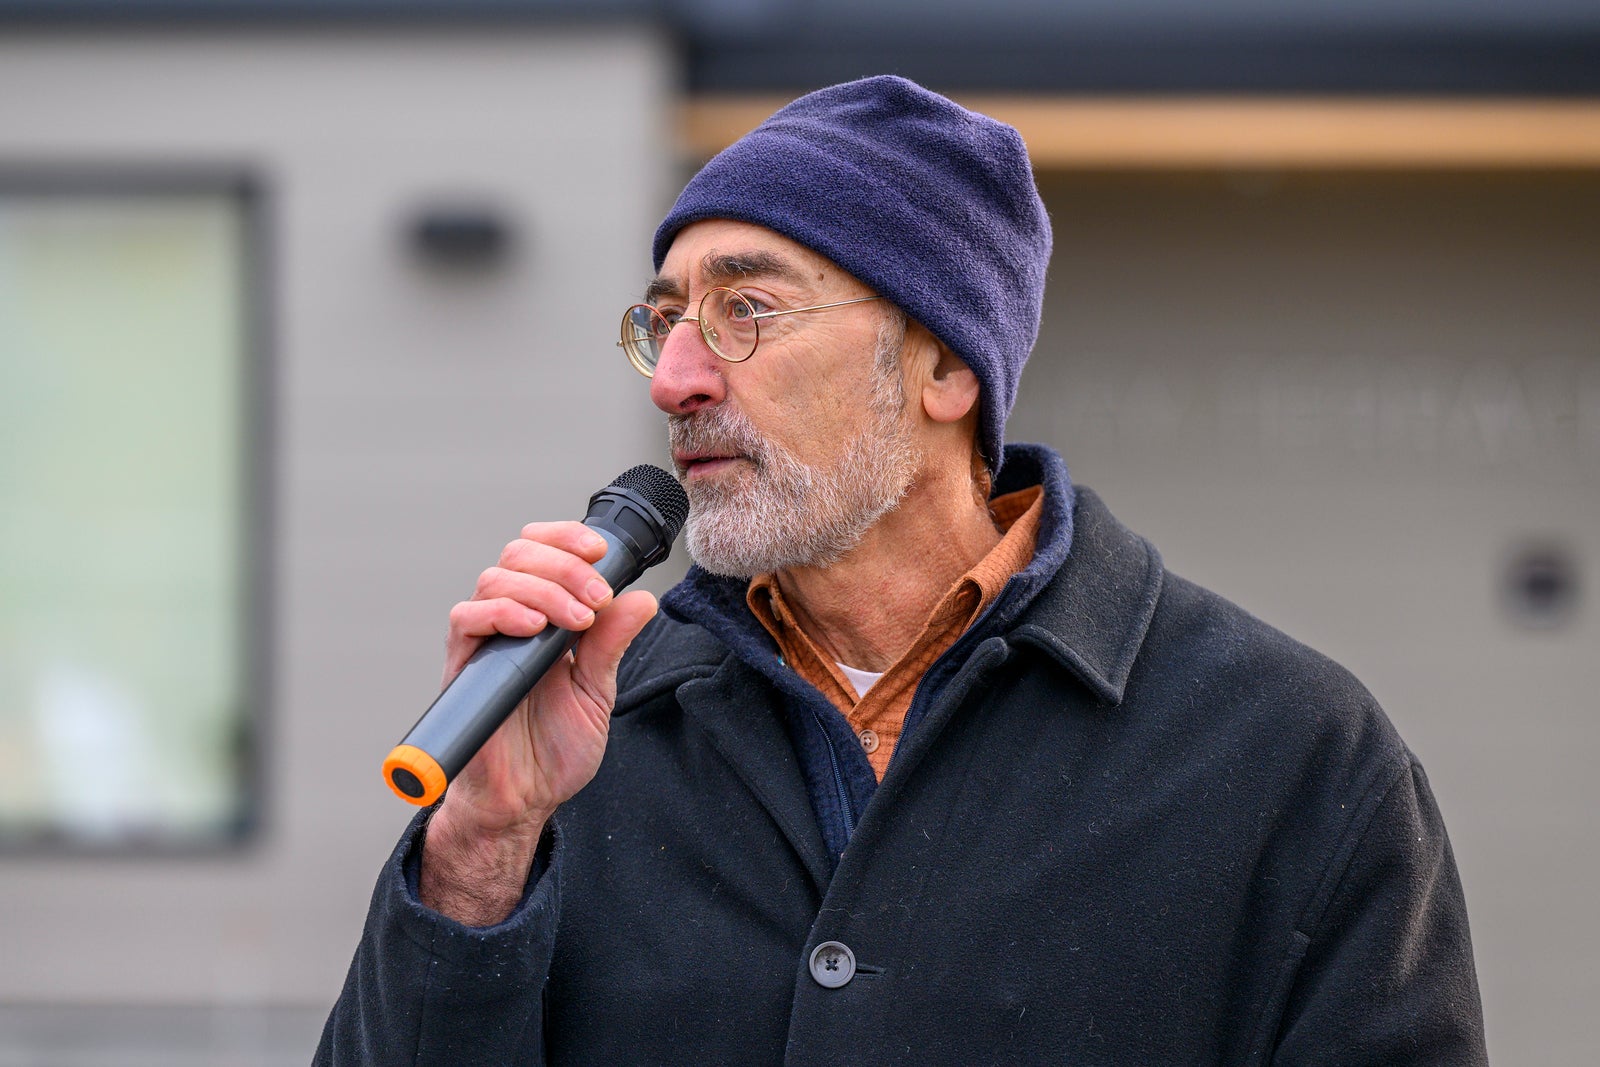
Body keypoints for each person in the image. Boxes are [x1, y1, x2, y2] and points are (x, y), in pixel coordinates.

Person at [317, 76, 1486, 1064]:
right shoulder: (572, 730)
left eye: (747, 308)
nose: (674, 377)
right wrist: (476, 854)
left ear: (941, 366)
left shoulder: (1290, 752)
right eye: (663, 319)